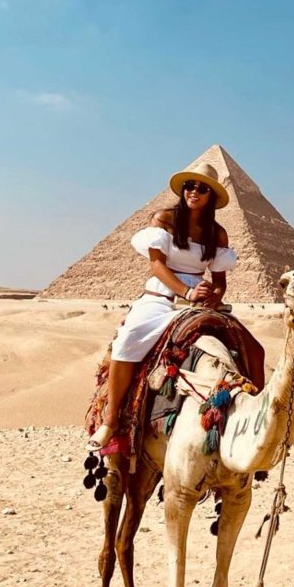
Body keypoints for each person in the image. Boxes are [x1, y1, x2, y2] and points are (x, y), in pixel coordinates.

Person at [87, 162, 236, 450]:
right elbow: (157, 266)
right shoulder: (164, 219)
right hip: (162, 298)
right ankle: (112, 419)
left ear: (212, 197)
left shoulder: (217, 234)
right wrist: (187, 291)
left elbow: (219, 280)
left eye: (202, 188)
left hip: (197, 303)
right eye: (190, 186)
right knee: (128, 341)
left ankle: (252, 423)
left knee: (248, 348)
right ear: (183, 190)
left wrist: (213, 295)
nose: (195, 191)